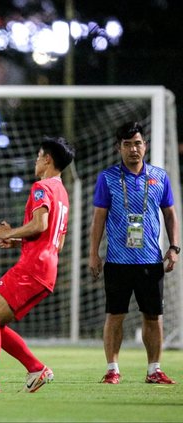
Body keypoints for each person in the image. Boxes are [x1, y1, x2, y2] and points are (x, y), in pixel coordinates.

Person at [0, 136, 75, 393]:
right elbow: (57, 238)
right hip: (48, 266)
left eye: (37, 156)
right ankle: (35, 369)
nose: (35, 162)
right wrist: (20, 241)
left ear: (47, 159)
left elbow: (40, 225)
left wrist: (7, 234)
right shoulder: (63, 193)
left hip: (33, 267)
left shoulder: (41, 186)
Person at [89, 121, 179, 385]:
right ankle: (112, 369)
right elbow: (98, 219)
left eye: (137, 143)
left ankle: (154, 370)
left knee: (153, 316)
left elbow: (170, 214)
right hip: (117, 261)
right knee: (114, 315)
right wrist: (94, 253)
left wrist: (173, 247)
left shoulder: (160, 177)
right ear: (119, 148)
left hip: (151, 261)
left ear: (145, 146)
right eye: (127, 144)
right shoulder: (107, 178)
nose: (133, 149)